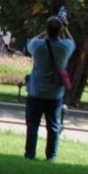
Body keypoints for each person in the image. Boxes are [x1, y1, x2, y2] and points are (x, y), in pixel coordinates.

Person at [23, 16, 75, 161]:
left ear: (46, 29)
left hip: (36, 92)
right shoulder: (65, 47)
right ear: (60, 30)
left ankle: (30, 154)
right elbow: (72, 42)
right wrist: (65, 29)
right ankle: (51, 155)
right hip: (55, 94)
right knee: (53, 126)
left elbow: (31, 41)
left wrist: (44, 32)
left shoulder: (37, 46)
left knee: (32, 125)